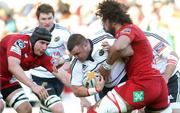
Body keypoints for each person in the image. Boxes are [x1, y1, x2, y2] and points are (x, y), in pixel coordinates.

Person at [87, 0, 171, 113]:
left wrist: (106, 66)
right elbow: (128, 51)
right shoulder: (130, 33)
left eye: (103, 21)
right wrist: (112, 48)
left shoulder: (128, 29)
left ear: (111, 21)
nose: (103, 25)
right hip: (158, 86)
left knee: (95, 110)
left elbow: (119, 47)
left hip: (143, 85)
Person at [0, 27, 67, 113]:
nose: (44, 47)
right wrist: (33, 86)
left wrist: (79, 86)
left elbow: (61, 74)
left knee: (26, 109)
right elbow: (13, 66)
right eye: (42, 43)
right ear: (34, 40)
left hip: (7, 79)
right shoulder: (19, 42)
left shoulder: (43, 55)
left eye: (47, 44)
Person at [21, 3, 71, 113]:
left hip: (58, 76)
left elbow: (74, 52)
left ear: (54, 17)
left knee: (47, 109)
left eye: (50, 18)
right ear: (37, 19)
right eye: (43, 19)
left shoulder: (63, 32)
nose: (47, 22)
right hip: (39, 77)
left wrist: (65, 59)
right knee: (57, 108)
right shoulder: (28, 34)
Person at [67, 30, 132, 112]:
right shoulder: (75, 64)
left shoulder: (103, 39)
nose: (75, 57)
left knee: (139, 105)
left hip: (126, 80)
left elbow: (130, 51)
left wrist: (113, 50)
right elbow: (76, 90)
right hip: (105, 90)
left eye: (77, 53)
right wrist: (95, 90)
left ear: (85, 45)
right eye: (73, 55)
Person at [134, 31, 180, 113]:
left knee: (173, 111)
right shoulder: (120, 46)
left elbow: (173, 56)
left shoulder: (150, 39)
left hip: (170, 80)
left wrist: (165, 78)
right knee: (139, 109)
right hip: (144, 84)